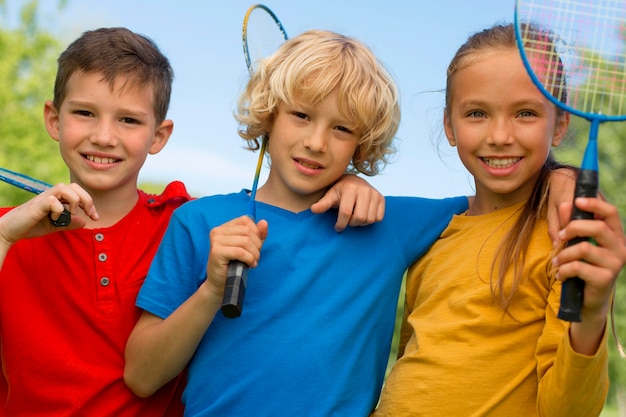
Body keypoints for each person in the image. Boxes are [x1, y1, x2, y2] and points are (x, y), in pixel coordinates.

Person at [0, 27, 381, 417]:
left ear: (159, 135)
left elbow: (280, 203)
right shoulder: (10, 231)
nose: (104, 136)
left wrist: (347, 179)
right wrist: (5, 234)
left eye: (129, 120)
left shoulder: (186, 220)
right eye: (84, 113)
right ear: (53, 119)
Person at [123, 29, 471, 416]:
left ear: (363, 143)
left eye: (342, 128)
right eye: (301, 115)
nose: (317, 142)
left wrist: (555, 177)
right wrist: (211, 291)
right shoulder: (198, 221)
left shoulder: (387, 224)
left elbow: (506, 200)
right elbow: (142, 376)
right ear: (269, 116)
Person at [372, 23, 626, 417]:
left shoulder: (563, 238)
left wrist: (591, 316)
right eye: (477, 113)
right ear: (449, 126)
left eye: (525, 112)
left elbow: (568, 410)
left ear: (560, 124)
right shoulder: (433, 234)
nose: (500, 135)